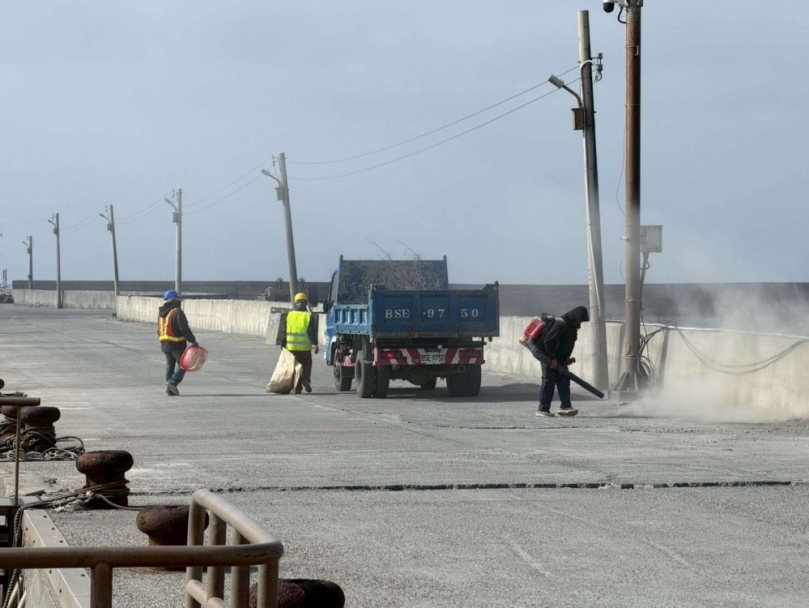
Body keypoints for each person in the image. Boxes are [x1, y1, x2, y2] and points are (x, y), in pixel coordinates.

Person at [528, 306, 589, 418]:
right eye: (580, 320)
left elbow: (568, 343)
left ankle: (565, 407)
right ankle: (543, 409)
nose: (580, 323)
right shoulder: (561, 324)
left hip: (559, 358)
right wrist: (552, 359)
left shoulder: (572, 326)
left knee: (564, 380)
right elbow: (548, 341)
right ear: (575, 317)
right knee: (549, 381)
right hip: (546, 355)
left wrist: (567, 358)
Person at [158, 290, 199, 396]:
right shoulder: (177, 312)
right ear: (174, 300)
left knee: (169, 366)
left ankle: (170, 390)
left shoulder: (161, 314)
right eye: (178, 300)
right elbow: (184, 328)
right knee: (184, 365)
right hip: (176, 345)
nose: (179, 302)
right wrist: (192, 340)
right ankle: (172, 383)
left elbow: (159, 330)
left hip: (165, 345)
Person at [280, 292, 319, 394]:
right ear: (306, 303)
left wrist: (282, 343)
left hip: (292, 347)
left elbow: (285, 330)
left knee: (295, 367)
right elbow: (311, 332)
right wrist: (315, 344)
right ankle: (305, 379)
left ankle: (298, 388)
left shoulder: (290, 315)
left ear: (295, 303)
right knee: (307, 364)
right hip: (305, 347)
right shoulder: (308, 315)